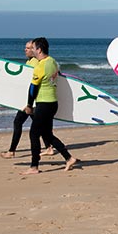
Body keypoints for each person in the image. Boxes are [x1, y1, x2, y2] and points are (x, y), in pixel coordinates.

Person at [20, 37, 80, 175]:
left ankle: (34, 166)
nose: (32, 50)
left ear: (39, 50)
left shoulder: (40, 66)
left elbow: (33, 88)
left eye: (33, 48)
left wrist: (29, 105)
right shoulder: (53, 62)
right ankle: (69, 158)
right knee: (47, 134)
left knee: (34, 134)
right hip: (53, 103)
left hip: (43, 104)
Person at [0, 41, 53, 159]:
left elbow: (33, 83)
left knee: (18, 122)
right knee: (38, 125)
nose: (26, 50)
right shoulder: (30, 62)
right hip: (29, 100)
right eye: (26, 48)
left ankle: (12, 151)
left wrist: (29, 103)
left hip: (30, 101)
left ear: (35, 50)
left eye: (28, 48)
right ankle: (49, 147)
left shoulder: (35, 62)